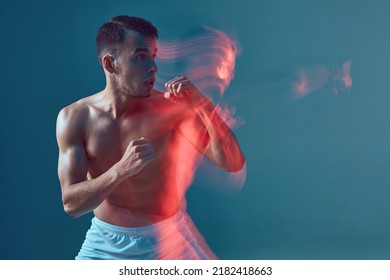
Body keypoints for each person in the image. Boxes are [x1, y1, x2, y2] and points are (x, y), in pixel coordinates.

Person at [56, 15, 245, 260]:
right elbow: (71, 204)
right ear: (110, 64)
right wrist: (121, 170)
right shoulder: (75, 118)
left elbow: (231, 163)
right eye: (141, 56)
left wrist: (202, 105)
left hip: (168, 237)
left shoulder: (171, 109)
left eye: (154, 56)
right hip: (105, 243)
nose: (153, 68)